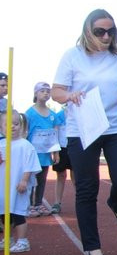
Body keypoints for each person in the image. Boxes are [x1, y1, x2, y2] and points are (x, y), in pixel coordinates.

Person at [50, 8, 117, 255]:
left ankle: (116, 202)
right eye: (100, 31)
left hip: (116, 126)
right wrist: (69, 96)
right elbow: (56, 91)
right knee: (87, 188)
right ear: (89, 31)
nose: (106, 35)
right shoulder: (73, 56)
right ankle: (92, 246)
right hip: (83, 128)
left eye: (111, 31)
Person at [0, 111, 40, 252]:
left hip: (18, 186)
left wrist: (24, 180)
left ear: (21, 126)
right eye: (8, 124)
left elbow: (30, 165)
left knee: (18, 213)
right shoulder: (1, 144)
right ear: (1, 127)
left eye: (16, 124)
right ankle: (8, 238)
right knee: (4, 214)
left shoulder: (25, 145)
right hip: (3, 186)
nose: (12, 127)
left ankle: (23, 241)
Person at [26, 82, 60, 217]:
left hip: (45, 154)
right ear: (35, 93)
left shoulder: (53, 114)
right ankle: (29, 205)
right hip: (32, 154)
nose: (46, 93)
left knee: (42, 180)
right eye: (42, 91)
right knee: (30, 180)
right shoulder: (29, 113)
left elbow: (55, 135)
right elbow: (25, 132)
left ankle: (38, 203)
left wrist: (56, 153)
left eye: (48, 91)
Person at [50, 106, 71, 215]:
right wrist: (56, 152)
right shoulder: (59, 115)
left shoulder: (80, 113)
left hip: (75, 147)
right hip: (62, 148)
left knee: (76, 176)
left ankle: (80, 202)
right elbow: (55, 134)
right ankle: (57, 202)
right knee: (61, 175)